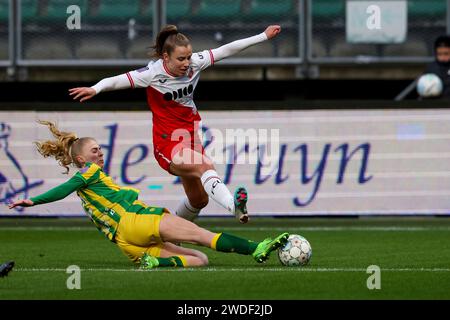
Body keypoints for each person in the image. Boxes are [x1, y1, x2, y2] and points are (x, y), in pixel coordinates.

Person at [68, 25, 282, 224]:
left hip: (190, 137)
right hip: (167, 144)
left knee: (199, 200)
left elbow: (226, 50)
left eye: (188, 57)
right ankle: (233, 206)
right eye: (181, 59)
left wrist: (263, 36)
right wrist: (95, 89)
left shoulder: (195, 63)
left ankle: (170, 234)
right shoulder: (152, 74)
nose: (187, 63)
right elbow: (117, 80)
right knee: (205, 166)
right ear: (165, 57)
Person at [8, 121, 289, 269]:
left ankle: (156, 262)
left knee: (199, 260)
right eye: (94, 151)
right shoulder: (88, 173)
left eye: (100, 149)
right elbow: (63, 189)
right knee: (202, 236)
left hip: (126, 243)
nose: (100, 154)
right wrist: (33, 200)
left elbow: (69, 188)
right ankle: (256, 248)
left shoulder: (89, 181)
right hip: (134, 221)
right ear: (81, 160)